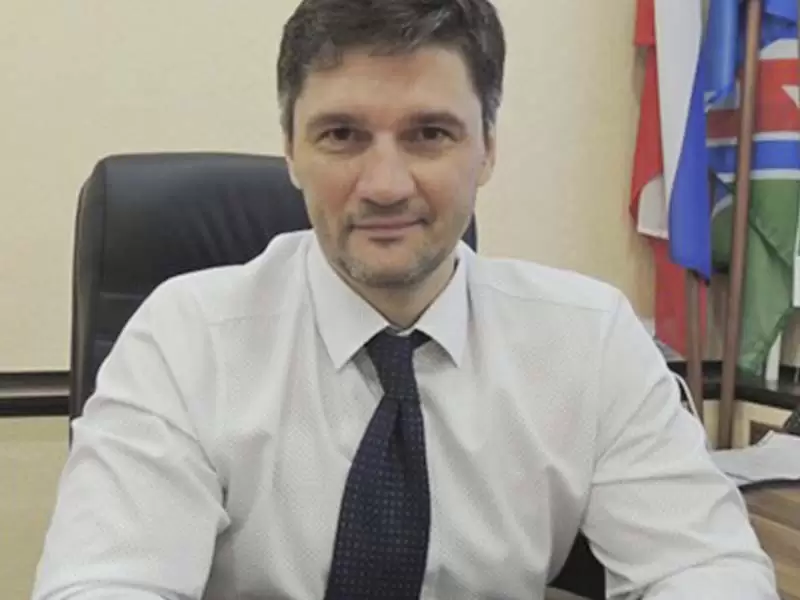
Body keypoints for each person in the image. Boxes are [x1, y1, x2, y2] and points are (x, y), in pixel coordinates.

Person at [33, 0, 778, 598]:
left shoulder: (591, 341)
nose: (385, 185)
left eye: (429, 134)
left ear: (488, 148)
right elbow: (105, 580)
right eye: (341, 135)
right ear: (291, 150)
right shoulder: (185, 339)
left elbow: (705, 566)